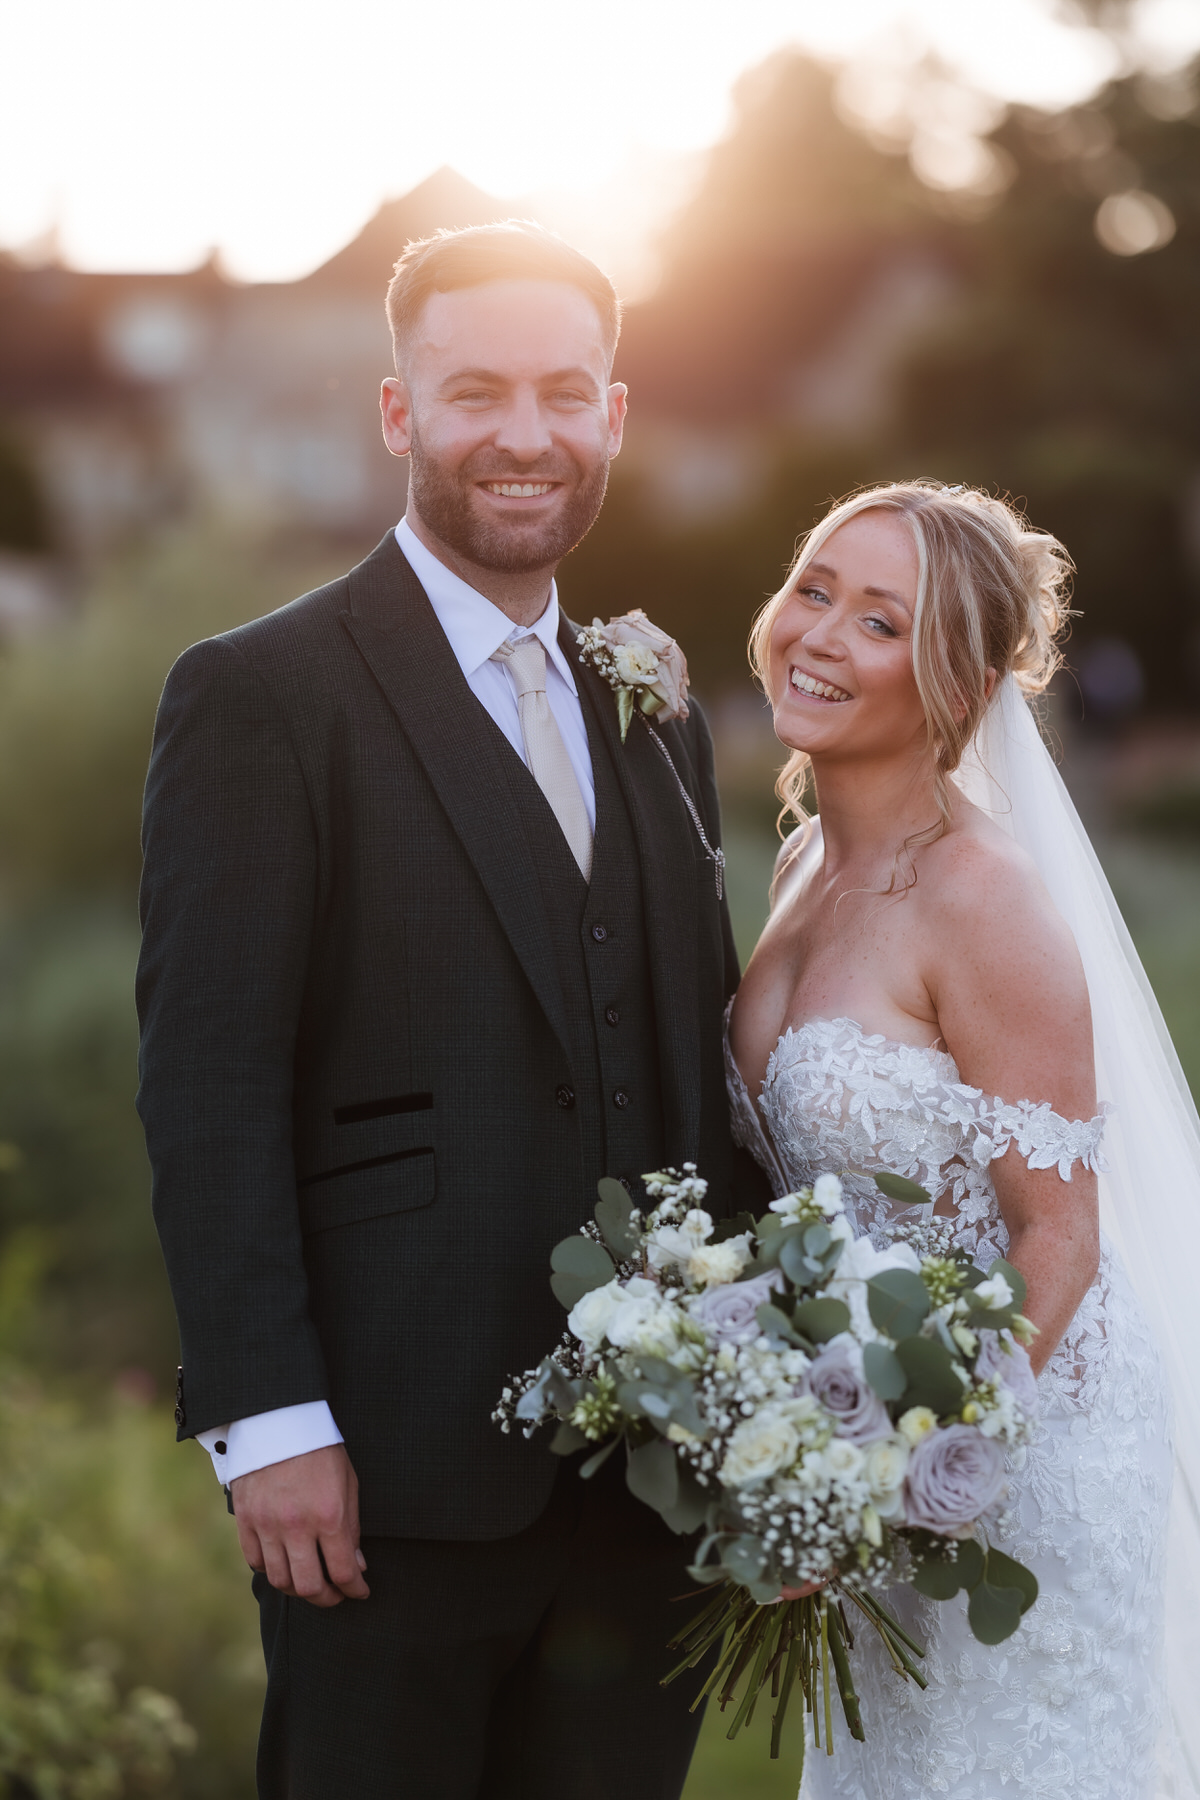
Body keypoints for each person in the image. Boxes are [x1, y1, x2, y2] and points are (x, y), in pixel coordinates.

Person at [136, 220, 764, 1799]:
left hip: (651, 1483)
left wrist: (772, 1400)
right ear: (399, 411)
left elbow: (687, 1069)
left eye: (566, 392)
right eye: (475, 391)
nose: (526, 435)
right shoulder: (264, 694)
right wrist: (270, 1424)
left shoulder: (655, 710)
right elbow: (209, 1082)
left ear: (614, 417)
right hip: (389, 1473)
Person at [727, 480, 1200, 1799]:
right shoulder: (805, 860)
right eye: (812, 588)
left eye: (878, 622)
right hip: (873, 1415)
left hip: (1019, 1446)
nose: (818, 635)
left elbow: (1060, 1234)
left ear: (955, 683)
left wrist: (900, 1477)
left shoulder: (984, 902)